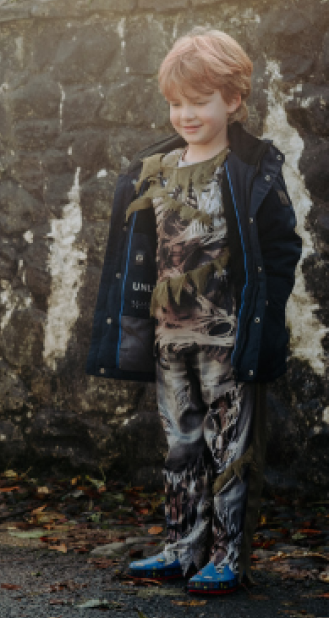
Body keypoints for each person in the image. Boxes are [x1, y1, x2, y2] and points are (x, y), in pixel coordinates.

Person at [85, 28, 302, 595]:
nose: (185, 114)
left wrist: (264, 313)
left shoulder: (253, 166)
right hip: (170, 337)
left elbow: (282, 248)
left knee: (231, 448)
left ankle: (230, 554)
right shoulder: (152, 167)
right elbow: (134, 253)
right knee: (180, 442)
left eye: (199, 102)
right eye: (176, 103)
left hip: (229, 339)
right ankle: (183, 546)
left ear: (232, 100)